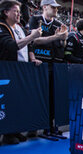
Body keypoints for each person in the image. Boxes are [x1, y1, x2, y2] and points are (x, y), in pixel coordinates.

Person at [0, 0, 42, 144]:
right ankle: (6, 133)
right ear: (6, 12)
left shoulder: (19, 27)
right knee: (6, 102)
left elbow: (28, 45)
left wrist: (32, 57)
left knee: (17, 102)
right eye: (15, 11)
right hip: (7, 71)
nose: (19, 14)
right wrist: (32, 36)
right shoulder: (1, 27)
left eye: (19, 11)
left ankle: (14, 130)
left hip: (21, 70)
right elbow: (11, 46)